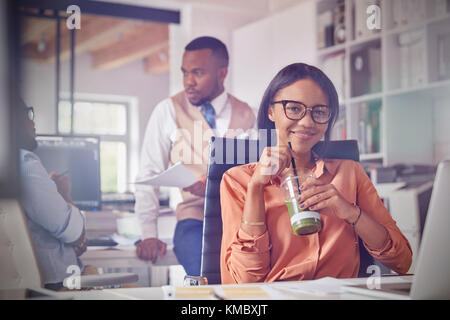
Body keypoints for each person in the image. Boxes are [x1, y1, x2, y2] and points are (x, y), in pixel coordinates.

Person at [220, 63, 412, 284]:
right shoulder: (238, 181)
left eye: (319, 111)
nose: (307, 122)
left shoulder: (349, 172)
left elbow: (402, 261)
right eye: (293, 108)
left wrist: (350, 213)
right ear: (270, 111)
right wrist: (256, 188)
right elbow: (243, 283)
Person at [135, 36, 255, 276]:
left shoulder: (248, 114)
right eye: (185, 72)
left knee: (252, 279)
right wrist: (149, 234)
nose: (188, 81)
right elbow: (149, 173)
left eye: (198, 73)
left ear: (222, 74)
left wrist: (217, 186)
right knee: (209, 279)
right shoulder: (167, 110)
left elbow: (258, 174)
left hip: (242, 222)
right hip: (194, 222)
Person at [18, 99, 91, 290]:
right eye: (28, 115)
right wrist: (64, 193)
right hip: (57, 288)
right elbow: (74, 234)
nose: (33, 123)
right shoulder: (24, 164)